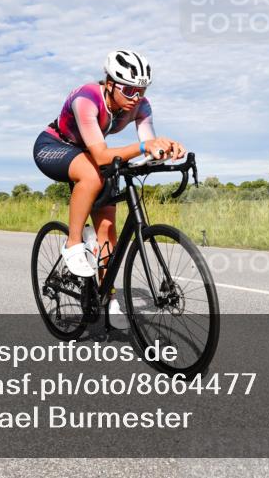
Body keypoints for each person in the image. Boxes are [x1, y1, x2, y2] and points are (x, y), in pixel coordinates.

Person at [33, 50, 185, 328]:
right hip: (54, 147)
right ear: (110, 83)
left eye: (141, 91)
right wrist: (142, 147)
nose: (136, 98)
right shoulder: (87, 98)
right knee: (92, 176)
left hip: (89, 153)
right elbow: (102, 155)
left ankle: (108, 297)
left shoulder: (141, 106)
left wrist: (165, 150)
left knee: (107, 231)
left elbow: (148, 145)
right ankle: (74, 243)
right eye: (129, 90)